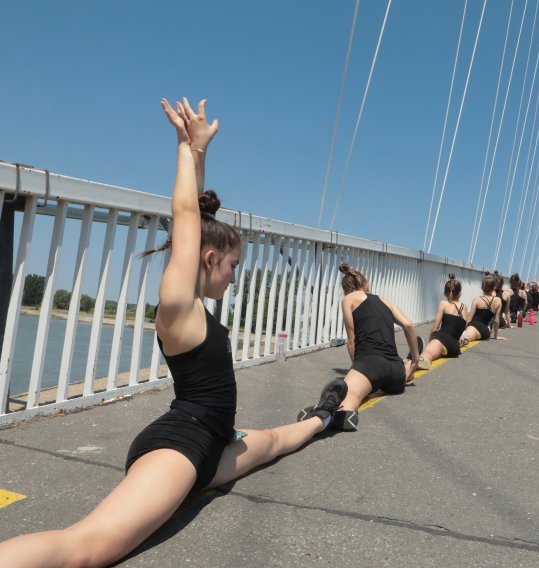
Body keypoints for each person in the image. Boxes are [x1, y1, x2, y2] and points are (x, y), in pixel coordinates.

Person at [0, 99, 347, 568]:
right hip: (178, 448)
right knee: (85, 549)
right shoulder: (180, 308)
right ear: (208, 260)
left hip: (215, 443)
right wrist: (187, 149)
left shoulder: (199, 310)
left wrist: (198, 157)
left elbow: (195, 217)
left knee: (280, 441)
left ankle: (325, 417)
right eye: (232, 268)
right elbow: (186, 216)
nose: (233, 278)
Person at [299, 263, 420, 431]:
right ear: (366, 284)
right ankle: (409, 364)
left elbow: (351, 341)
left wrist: (358, 368)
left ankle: (338, 414)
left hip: (371, 364)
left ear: (346, 289)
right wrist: (416, 358)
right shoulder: (384, 301)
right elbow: (408, 325)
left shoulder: (348, 299)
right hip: (395, 371)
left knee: (351, 393)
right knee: (404, 367)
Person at [415, 274, 467, 370]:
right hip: (455, 348)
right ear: (460, 293)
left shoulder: (443, 304)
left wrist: (430, 343)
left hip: (442, 339)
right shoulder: (464, 307)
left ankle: (414, 360)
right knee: (430, 353)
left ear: (444, 293)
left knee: (426, 356)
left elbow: (435, 328)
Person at [459, 273, 503, 344]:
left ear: (482, 287)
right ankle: (464, 339)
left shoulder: (477, 299)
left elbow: (469, 318)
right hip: (485, 331)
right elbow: (496, 321)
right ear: (494, 287)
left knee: (467, 335)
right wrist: (496, 336)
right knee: (471, 334)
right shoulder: (498, 301)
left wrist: (464, 329)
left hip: (474, 325)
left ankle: (463, 338)